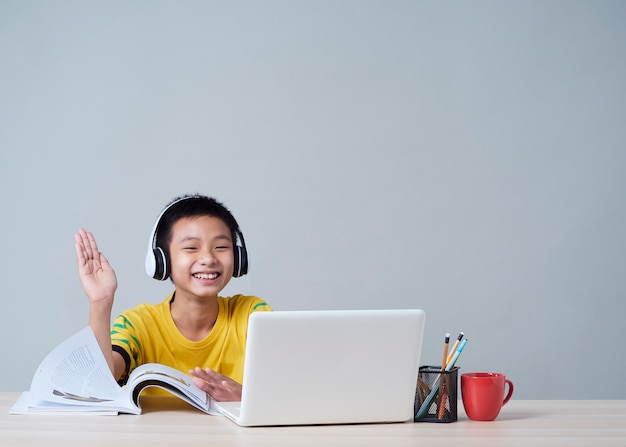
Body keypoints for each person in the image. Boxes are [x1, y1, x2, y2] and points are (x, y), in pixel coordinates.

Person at [74, 194, 271, 402]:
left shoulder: (253, 314)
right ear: (162, 260)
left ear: (238, 257)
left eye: (221, 247)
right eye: (191, 248)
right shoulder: (138, 324)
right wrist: (100, 303)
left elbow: (288, 388)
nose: (208, 259)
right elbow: (98, 383)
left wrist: (245, 397)